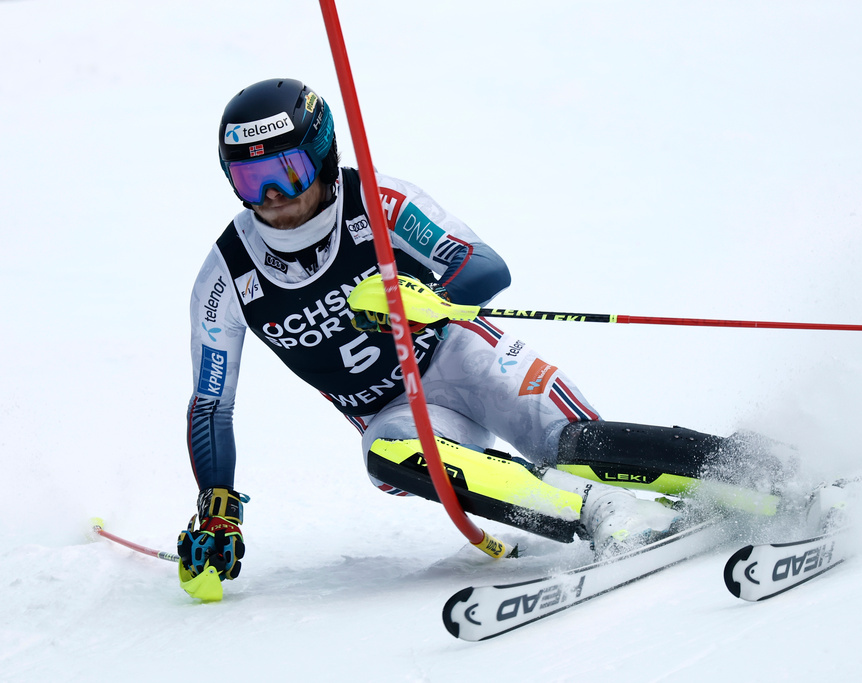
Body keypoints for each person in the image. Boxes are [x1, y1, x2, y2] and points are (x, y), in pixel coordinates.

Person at [178, 78, 816, 591]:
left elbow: (486, 268)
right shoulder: (225, 276)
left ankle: (758, 466)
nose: (273, 199)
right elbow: (212, 404)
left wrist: (423, 301)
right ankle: (594, 512)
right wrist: (218, 506)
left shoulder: (378, 201)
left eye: (286, 173)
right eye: (249, 181)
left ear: (320, 156)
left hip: (461, 355)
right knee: (386, 456)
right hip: (394, 411)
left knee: (569, 443)